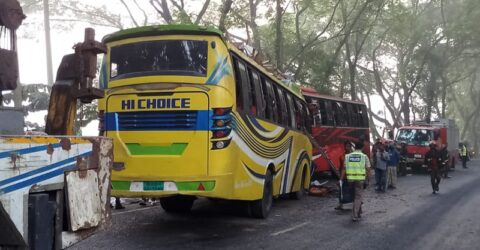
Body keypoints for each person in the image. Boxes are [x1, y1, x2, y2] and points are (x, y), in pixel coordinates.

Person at [341, 141, 370, 221]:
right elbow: (368, 169)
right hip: (360, 180)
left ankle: (359, 211)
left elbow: (344, 168)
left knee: (355, 196)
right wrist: (368, 179)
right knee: (358, 196)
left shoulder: (347, 156)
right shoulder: (364, 156)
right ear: (362, 147)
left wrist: (340, 179)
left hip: (350, 180)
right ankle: (355, 215)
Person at [335, 140, 354, 211]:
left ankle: (354, 205)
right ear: (344, 147)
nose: (348, 147)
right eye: (346, 146)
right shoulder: (342, 156)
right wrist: (340, 176)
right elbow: (341, 167)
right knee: (341, 190)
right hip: (343, 176)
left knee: (352, 191)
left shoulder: (353, 156)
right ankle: (340, 204)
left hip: (352, 176)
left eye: (349, 146)